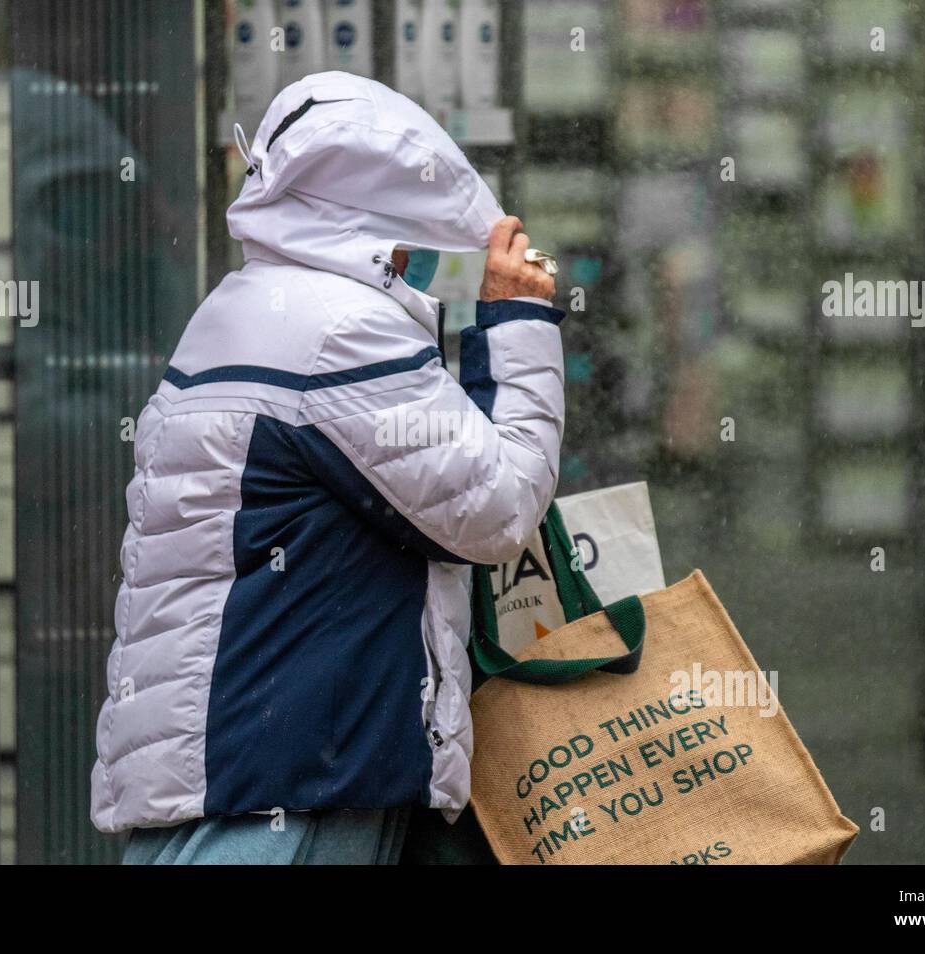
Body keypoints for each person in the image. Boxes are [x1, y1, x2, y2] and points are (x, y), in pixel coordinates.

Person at [91, 72, 564, 864]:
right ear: (372, 223)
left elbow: (431, 511)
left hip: (238, 783)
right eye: (413, 238)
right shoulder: (339, 331)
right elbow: (496, 510)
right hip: (286, 798)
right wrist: (516, 324)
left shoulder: (245, 308)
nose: (417, 264)